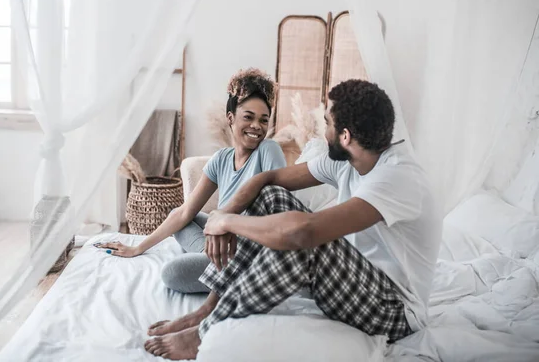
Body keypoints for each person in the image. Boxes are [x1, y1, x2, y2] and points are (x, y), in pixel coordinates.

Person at [144, 79, 442, 360]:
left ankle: (202, 336)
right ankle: (210, 307)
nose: (323, 129)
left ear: (346, 136)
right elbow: (267, 179)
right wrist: (223, 215)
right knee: (271, 196)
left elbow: (305, 232)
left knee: (302, 245)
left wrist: (229, 224)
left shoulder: (398, 177)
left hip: (395, 309)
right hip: (355, 279)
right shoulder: (349, 159)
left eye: (328, 123)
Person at [95, 68, 286, 294]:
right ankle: (213, 260)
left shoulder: (269, 150)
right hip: (223, 240)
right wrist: (138, 248)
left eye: (264, 120)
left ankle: (239, 277)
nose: (257, 126)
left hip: (251, 253)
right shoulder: (221, 159)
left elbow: (279, 215)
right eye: (248, 117)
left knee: (172, 274)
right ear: (231, 118)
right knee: (182, 217)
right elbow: (185, 213)